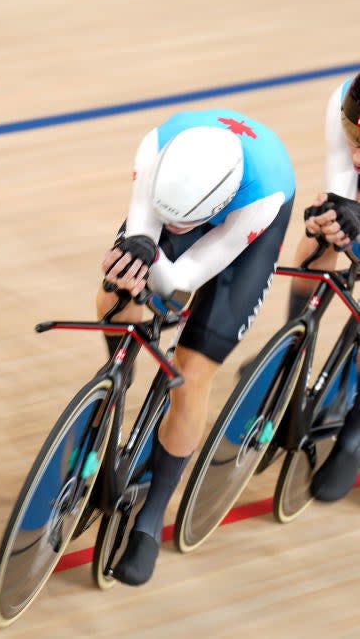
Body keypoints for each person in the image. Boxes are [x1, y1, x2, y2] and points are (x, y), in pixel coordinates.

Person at [96, 109, 295, 586]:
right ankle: (116, 382)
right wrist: (142, 243)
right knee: (114, 289)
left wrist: (163, 260)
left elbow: (184, 278)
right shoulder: (155, 147)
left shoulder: (259, 199)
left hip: (242, 236)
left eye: (188, 224)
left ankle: (150, 520)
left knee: (191, 373)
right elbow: (144, 229)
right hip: (178, 197)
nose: (179, 230)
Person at [290, 72, 360, 503]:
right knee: (324, 227)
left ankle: (354, 436)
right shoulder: (345, 99)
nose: (355, 156)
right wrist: (335, 214)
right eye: (354, 136)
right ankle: (293, 345)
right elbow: (341, 186)